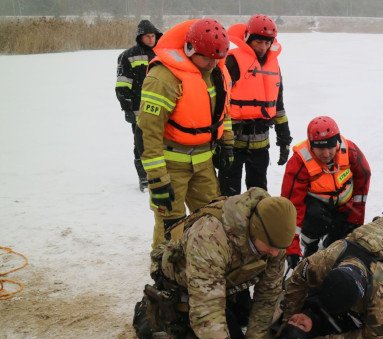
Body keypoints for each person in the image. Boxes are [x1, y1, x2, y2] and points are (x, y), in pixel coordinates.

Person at [139, 188, 296, 339]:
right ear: (255, 231)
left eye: (281, 248)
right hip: (182, 281)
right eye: (271, 247)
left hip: (225, 278)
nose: (276, 254)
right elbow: (206, 313)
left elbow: (268, 294)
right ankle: (152, 312)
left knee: (245, 321)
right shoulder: (210, 237)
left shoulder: (274, 237)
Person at [137, 18, 234, 249]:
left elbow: (224, 112)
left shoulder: (216, 72)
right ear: (190, 49)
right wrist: (158, 179)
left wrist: (227, 144)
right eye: (207, 57)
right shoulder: (163, 78)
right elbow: (148, 134)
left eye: (217, 58)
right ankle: (164, 276)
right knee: (170, 227)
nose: (212, 63)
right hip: (171, 165)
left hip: (204, 162)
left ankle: (205, 268)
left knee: (212, 219)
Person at [280, 116, 371, 268]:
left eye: (330, 147)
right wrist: (291, 249)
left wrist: (356, 218)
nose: (327, 153)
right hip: (315, 212)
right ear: (311, 145)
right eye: (321, 148)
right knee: (316, 219)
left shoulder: (350, 151)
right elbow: (291, 207)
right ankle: (310, 246)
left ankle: (333, 240)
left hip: (344, 208)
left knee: (341, 244)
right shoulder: (299, 163)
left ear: (337, 143)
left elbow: (363, 179)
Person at [218, 14, 292, 196]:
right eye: (259, 42)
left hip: (260, 143)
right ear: (248, 39)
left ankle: (256, 224)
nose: (263, 47)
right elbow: (219, 102)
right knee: (228, 195)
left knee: (258, 194)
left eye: (267, 43)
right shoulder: (232, 61)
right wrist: (218, 141)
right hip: (232, 142)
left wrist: (284, 139)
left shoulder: (274, 65)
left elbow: (278, 104)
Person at [115, 20, 162, 191]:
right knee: (140, 144)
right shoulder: (128, 56)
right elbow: (122, 85)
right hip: (138, 110)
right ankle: (144, 178)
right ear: (140, 37)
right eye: (147, 36)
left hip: (161, 109)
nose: (151, 39)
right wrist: (126, 108)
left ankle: (160, 175)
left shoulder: (162, 53)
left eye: (153, 36)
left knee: (161, 143)